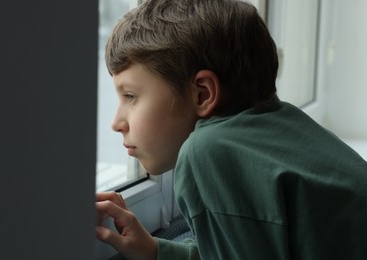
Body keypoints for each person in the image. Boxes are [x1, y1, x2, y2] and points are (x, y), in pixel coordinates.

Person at [95, 0, 367, 259]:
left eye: (130, 96)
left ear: (202, 94)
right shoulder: (282, 123)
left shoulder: (208, 150)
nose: (116, 122)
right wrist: (157, 252)